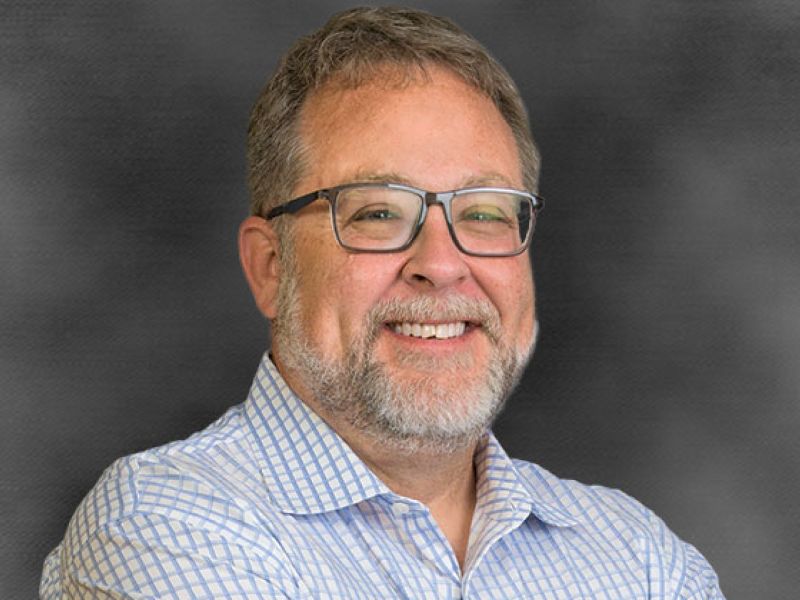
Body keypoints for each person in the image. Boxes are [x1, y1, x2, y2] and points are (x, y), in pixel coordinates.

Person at [41, 7, 724, 598]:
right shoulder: (165, 522)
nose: (442, 265)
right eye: (375, 213)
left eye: (484, 213)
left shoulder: (639, 555)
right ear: (270, 268)